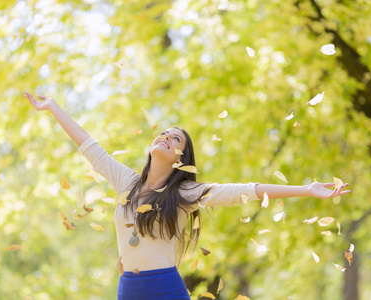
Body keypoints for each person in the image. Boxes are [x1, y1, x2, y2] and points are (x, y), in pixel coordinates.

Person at [23, 91, 351, 300]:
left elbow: (245, 192)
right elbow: (89, 146)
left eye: (175, 138)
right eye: (164, 133)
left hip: (165, 289)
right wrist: (53, 108)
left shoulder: (185, 193)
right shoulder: (127, 182)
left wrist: (306, 190)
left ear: (181, 158)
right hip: (128, 290)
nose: (166, 137)